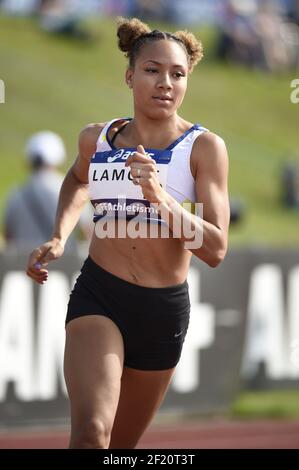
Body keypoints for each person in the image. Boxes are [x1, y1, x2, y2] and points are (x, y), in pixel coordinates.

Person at [26, 17, 230, 449]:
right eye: (153, 70)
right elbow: (78, 180)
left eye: (178, 74)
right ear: (130, 75)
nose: (166, 83)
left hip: (162, 311)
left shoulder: (204, 148)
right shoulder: (96, 139)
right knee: (90, 435)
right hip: (100, 296)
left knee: (119, 449)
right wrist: (60, 235)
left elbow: (215, 249)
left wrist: (161, 198)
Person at [4, 130, 91, 252]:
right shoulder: (72, 189)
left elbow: (9, 240)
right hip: (65, 265)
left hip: (26, 267)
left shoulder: (15, 195)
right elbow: (88, 233)